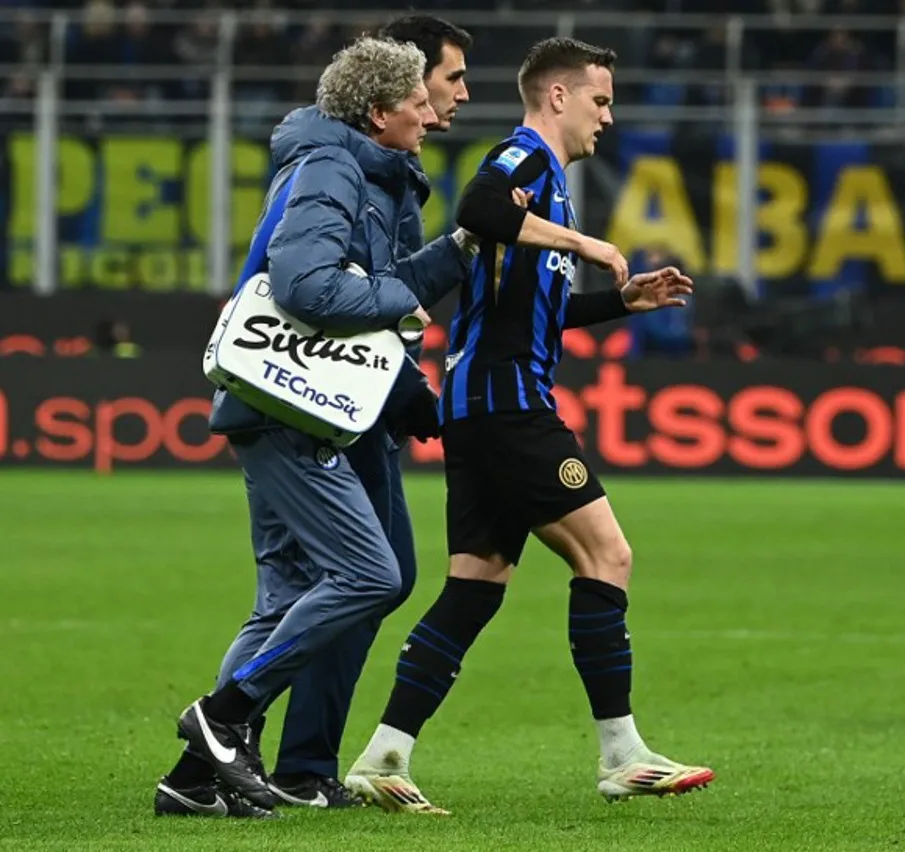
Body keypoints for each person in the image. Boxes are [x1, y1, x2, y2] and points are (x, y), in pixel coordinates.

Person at [344, 37, 715, 814]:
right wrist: (583, 242)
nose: (607, 118)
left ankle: (383, 755)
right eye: (600, 100)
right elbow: (479, 210)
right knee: (608, 554)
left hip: (480, 406)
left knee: (476, 586)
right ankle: (622, 754)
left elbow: (531, 308)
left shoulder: (546, 184)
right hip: (510, 407)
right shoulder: (524, 162)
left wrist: (623, 301)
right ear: (557, 96)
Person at [154, 35, 477, 819]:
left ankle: (195, 780)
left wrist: (462, 249)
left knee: (282, 601)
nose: (432, 115)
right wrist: (400, 300)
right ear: (378, 112)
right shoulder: (333, 170)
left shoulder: (352, 168)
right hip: (292, 411)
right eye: (419, 102)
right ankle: (225, 717)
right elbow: (308, 288)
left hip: (288, 409)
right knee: (372, 575)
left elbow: (372, 289)